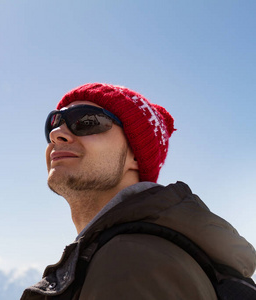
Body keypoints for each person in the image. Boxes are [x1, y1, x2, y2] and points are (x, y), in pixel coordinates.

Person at [21, 83, 256, 300]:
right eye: (54, 122)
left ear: (135, 155)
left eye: (86, 121)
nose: (56, 133)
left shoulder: (130, 260)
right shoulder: (120, 252)